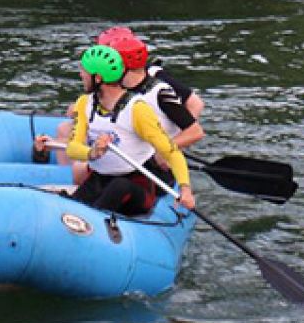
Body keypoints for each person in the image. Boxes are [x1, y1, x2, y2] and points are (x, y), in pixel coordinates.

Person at [35, 45, 195, 216]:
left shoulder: (137, 109)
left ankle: (95, 218)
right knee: (74, 203)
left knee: (119, 186)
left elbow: (170, 151)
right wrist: (93, 152)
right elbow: (74, 148)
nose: (81, 75)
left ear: (98, 78)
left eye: (84, 71)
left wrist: (185, 189)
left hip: (136, 185)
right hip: (99, 179)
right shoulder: (84, 103)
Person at [111, 34, 205, 162]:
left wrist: (166, 150)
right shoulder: (112, 89)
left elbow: (195, 132)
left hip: (152, 159)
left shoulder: (160, 92)